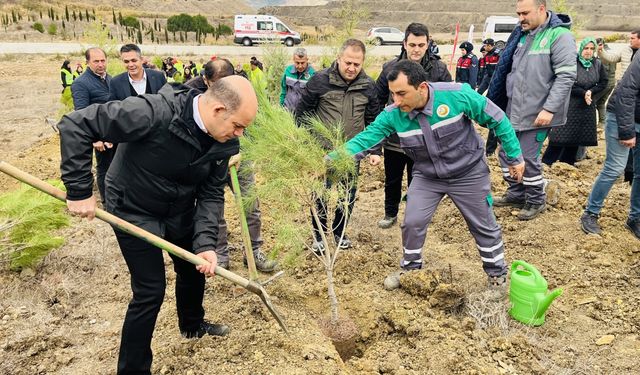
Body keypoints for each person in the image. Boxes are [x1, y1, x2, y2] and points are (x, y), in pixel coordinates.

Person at [58, 75, 258, 374]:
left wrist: (205, 243)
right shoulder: (154, 112)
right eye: (238, 125)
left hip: (177, 206)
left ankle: (192, 326)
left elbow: (211, 193)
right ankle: (133, 369)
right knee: (150, 290)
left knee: (192, 265)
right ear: (218, 110)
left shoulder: (224, 143)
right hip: (132, 206)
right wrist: (79, 190)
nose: (240, 134)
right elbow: (77, 124)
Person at [328, 60, 524, 292]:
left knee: (483, 225)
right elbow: (366, 138)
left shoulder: (457, 96)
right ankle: (411, 270)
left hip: (468, 173)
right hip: (427, 175)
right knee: (412, 222)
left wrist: (514, 156)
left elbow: (498, 118)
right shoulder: (393, 114)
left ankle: (497, 275)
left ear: (421, 88)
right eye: (392, 94)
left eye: (401, 94)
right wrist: (331, 160)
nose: (396, 101)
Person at [185, 57, 278, 272]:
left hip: (239, 159)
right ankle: (220, 254)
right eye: (216, 84)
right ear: (206, 80)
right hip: (208, 162)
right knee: (213, 207)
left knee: (250, 205)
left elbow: (253, 125)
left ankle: (254, 252)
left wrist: (243, 152)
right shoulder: (190, 91)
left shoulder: (243, 91)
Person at [488, 0, 576, 220]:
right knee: (506, 154)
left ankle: (536, 200)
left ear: (541, 9)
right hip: (513, 110)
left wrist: (549, 109)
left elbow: (566, 76)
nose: (520, 18)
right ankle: (517, 193)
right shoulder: (522, 36)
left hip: (538, 114)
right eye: (518, 13)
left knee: (526, 157)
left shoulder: (559, 36)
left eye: (525, 13)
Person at [295, 39, 379, 250]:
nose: (351, 68)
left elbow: (374, 121)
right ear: (339, 58)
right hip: (323, 151)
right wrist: (304, 145)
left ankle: (340, 233)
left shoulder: (368, 86)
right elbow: (302, 114)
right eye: (348, 62)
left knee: (347, 195)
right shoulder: (319, 80)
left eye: (356, 64)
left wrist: (376, 150)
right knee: (321, 194)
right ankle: (320, 236)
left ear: (362, 63)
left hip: (353, 152)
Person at [374, 22, 452, 229]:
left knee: (417, 182)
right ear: (404, 44)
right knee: (392, 179)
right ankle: (390, 214)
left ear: (428, 44)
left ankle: (413, 216)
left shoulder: (438, 69)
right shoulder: (390, 69)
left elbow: (448, 102)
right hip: (395, 139)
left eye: (421, 45)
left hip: (424, 140)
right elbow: (377, 99)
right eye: (412, 44)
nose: (416, 49)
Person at [580, 53, 640, 239]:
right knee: (615, 168)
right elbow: (626, 92)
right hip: (621, 116)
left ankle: (635, 218)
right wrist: (627, 131)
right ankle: (590, 213)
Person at [542, 38, 607, 166]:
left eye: (591, 49)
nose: (588, 51)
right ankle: (546, 163)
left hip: (586, 107)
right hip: (570, 105)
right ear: (581, 48)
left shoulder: (597, 64)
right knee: (559, 136)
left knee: (576, 136)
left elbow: (604, 82)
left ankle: (567, 164)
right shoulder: (573, 62)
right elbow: (567, 82)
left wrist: (591, 91)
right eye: (586, 48)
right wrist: (583, 93)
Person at [71, 47, 113, 204]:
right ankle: (108, 203)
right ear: (87, 62)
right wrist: (95, 139)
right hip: (100, 136)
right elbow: (81, 114)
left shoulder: (110, 79)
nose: (100, 64)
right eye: (96, 61)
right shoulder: (81, 84)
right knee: (105, 169)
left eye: (103, 60)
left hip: (115, 133)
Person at [280, 47, 316, 111]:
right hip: (287, 110)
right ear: (293, 60)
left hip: (302, 112)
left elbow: (314, 97)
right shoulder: (288, 71)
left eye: (302, 63)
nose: (300, 66)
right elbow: (283, 89)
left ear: (307, 60)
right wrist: (281, 105)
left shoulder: (312, 74)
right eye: (297, 63)